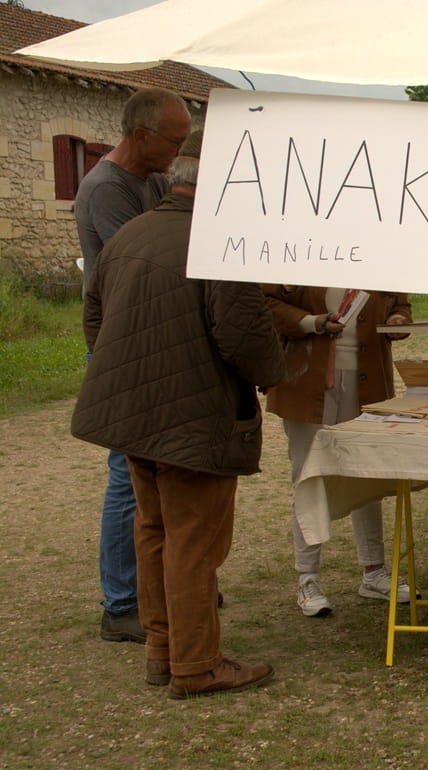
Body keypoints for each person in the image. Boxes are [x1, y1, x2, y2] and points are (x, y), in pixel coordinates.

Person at [71, 130, 285, 697]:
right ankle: (197, 665)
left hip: (135, 415)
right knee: (193, 540)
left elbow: (94, 320)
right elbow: (244, 333)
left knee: (154, 531)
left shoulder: (131, 233)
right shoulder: (221, 242)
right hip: (193, 416)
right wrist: (273, 372)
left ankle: (163, 651)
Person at [73, 87, 191, 644]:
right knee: (128, 473)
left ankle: (165, 587)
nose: (178, 152)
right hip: (122, 344)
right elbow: (149, 259)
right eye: (174, 141)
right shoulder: (105, 189)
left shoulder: (154, 180)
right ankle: (122, 603)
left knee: (164, 466)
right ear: (141, 135)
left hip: (151, 340)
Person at [262, 276, 412, 617]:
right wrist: (311, 322)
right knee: (308, 475)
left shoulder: (384, 257)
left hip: (368, 381)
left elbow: (400, 304)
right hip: (306, 378)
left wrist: (398, 321)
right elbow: (267, 304)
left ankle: (373, 571)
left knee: (366, 475)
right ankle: (308, 577)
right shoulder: (302, 254)